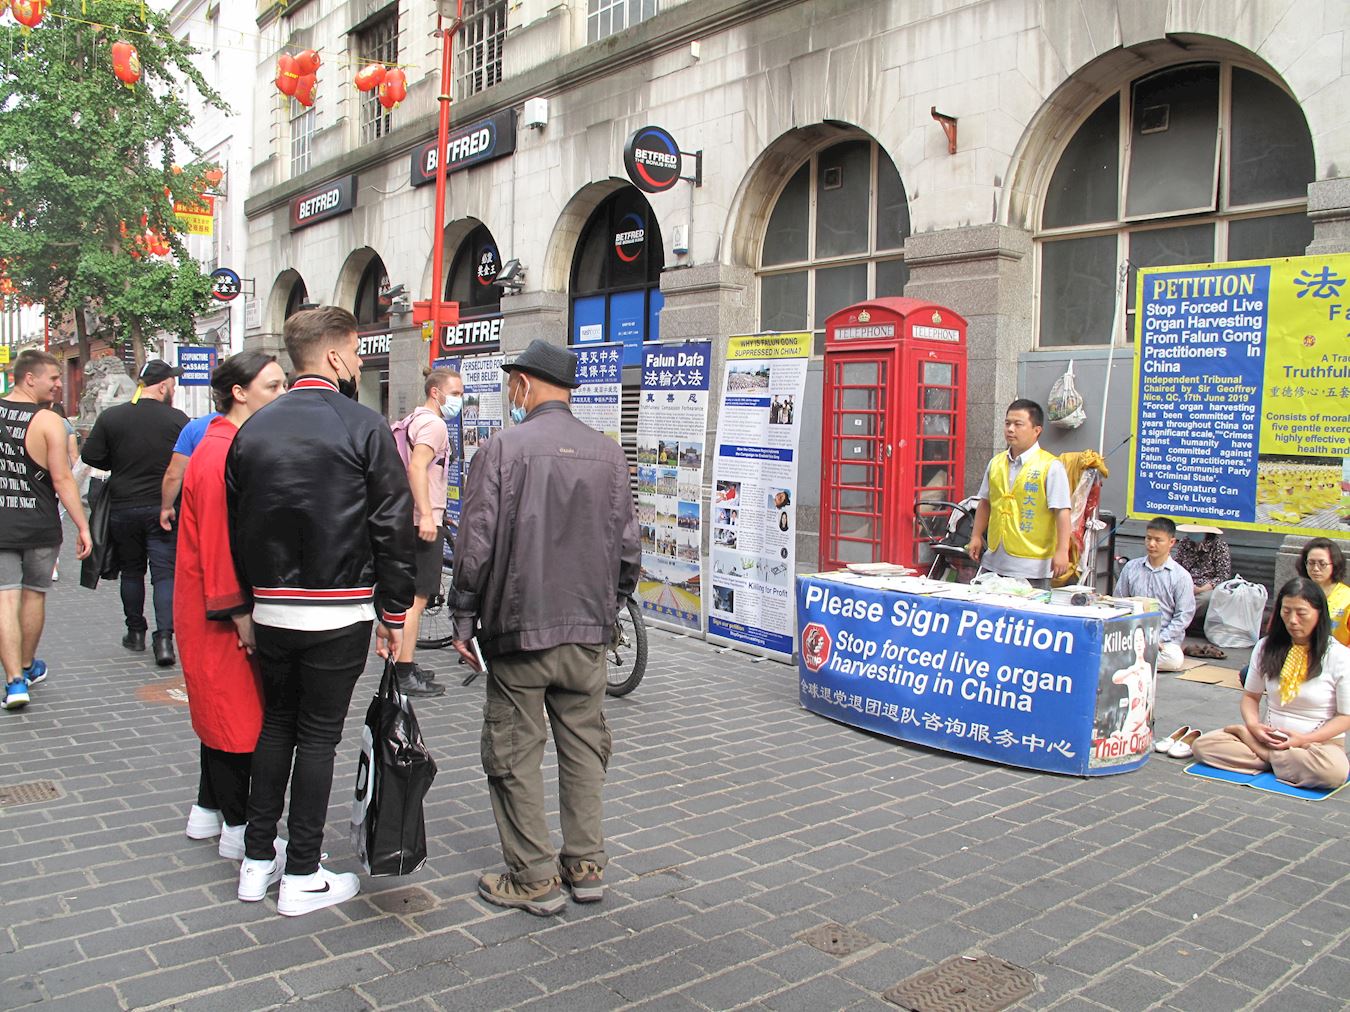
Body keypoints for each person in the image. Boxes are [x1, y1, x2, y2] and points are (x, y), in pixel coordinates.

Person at [225, 306, 414, 917]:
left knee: (276, 725)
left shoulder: (252, 430)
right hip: (339, 610)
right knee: (318, 738)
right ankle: (302, 870)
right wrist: (393, 610)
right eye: (357, 351)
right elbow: (391, 526)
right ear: (334, 356)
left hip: (272, 609)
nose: (360, 362)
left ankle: (258, 860)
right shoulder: (363, 425)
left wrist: (247, 603)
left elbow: (238, 527)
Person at [451, 339, 640, 916]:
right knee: (584, 745)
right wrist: (611, 603)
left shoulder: (503, 449)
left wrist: (462, 615)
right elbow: (629, 548)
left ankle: (533, 876)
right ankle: (585, 865)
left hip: (519, 627)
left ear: (524, 386)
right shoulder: (609, 454)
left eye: (514, 382)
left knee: (512, 750)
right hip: (587, 629)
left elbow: (475, 543)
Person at [177, 353, 287, 860]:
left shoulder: (222, 443)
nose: (281, 395)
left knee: (217, 712)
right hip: (219, 608)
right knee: (237, 721)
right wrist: (240, 614)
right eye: (272, 386)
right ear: (239, 393)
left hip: (206, 603)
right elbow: (220, 543)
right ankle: (239, 828)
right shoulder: (223, 451)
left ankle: (208, 810)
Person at [1192, 578, 1350, 790]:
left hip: (1317, 746)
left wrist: (1304, 740)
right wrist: (1254, 727)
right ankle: (1282, 761)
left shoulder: (1339, 655)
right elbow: (1250, 697)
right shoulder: (1266, 646)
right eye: (1286, 612)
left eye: (1301, 613)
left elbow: (1345, 717)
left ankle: (1266, 758)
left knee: (1333, 772)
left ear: (1320, 613)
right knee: (1204, 745)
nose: (1293, 620)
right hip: (1268, 737)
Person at [81, 359, 189, 666]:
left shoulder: (113, 417)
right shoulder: (177, 419)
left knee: (132, 572)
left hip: (123, 507)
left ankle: (135, 632)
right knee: (164, 574)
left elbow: (92, 457)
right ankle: (165, 640)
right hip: (163, 508)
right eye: (173, 384)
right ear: (164, 385)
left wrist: (121, 460)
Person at [1, 351, 92, 710]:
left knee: (5, 599)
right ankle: (26, 665)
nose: (59, 384)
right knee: (33, 595)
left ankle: (14, 682)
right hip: (39, 522)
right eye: (53, 378)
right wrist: (82, 526)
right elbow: (61, 479)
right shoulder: (49, 422)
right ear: (28, 378)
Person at [391, 368, 463, 697]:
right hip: (420, 521)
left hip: (411, 516)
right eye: (456, 393)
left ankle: (404, 664)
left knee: (411, 598)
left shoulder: (415, 419)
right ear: (436, 392)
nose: (460, 400)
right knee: (417, 600)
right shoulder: (434, 425)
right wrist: (427, 516)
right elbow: (416, 467)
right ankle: (403, 671)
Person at [967, 399, 1071, 588]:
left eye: (1018, 424)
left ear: (1036, 430)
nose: (1010, 429)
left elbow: (1062, 511)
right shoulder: (996, 463)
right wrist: (976, 535)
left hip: (1032, 565)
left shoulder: (1050, 466)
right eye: (1007, 423)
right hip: (994, 561)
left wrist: (1063, 550)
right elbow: (985, 502)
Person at [1113, 517, 1195, 672]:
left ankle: (1129, 663)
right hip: (1130, 635)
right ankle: (1137, 662)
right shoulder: (1131, 568)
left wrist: (1158, 638)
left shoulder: (1180, 576)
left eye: (1158, 540)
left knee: (1173, 659)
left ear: (1171, 542)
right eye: (1148, 538)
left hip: (1163, 640)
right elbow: (1119, 603)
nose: (1151, 544)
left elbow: (1183, 616)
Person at [159, 409, 221, 532]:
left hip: (206, 509)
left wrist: (166, 507)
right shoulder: (258, 425)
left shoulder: (195, 427)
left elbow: (174, 474)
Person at [1171, 523, 1232, 633]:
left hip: (1206, 587)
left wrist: (1201, 589)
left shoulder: (1219, 546)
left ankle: (1180, 622)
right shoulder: (1185, 542)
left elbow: (1223, 575)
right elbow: (1177, 566)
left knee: (1205, 599)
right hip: (1186, 582)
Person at [1295, 538, 1349, 632]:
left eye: (1322, 564)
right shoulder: (1295, 593)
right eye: (1311, 563)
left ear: (1335, 564)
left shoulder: (1347, 598)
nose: (1315, 568)